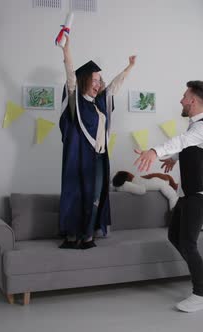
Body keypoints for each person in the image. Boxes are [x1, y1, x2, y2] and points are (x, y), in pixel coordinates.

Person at [134, 80, 203, 312]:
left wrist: (154, 151)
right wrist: (174, 158)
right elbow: (189, 147)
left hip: (200, 193)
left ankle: (201, 295)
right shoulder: (196, 127)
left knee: (188, 243)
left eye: (184, 96)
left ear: (192, 100)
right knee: (174, 235)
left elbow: (182, 141)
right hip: (188, 193)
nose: (181, 100)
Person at [58, 36, 136, 249]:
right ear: (84, 80)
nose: (98, 84)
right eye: (94, 80)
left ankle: (88, 236)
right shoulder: (76, 103)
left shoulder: (99, 103)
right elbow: (70, 78)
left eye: (99, 80)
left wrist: (128, 68)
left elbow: (114, 87)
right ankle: (73, 235)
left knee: (95, 197)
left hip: (99, 158)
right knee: (77, 195)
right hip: (80, 159)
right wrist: (67, 51)